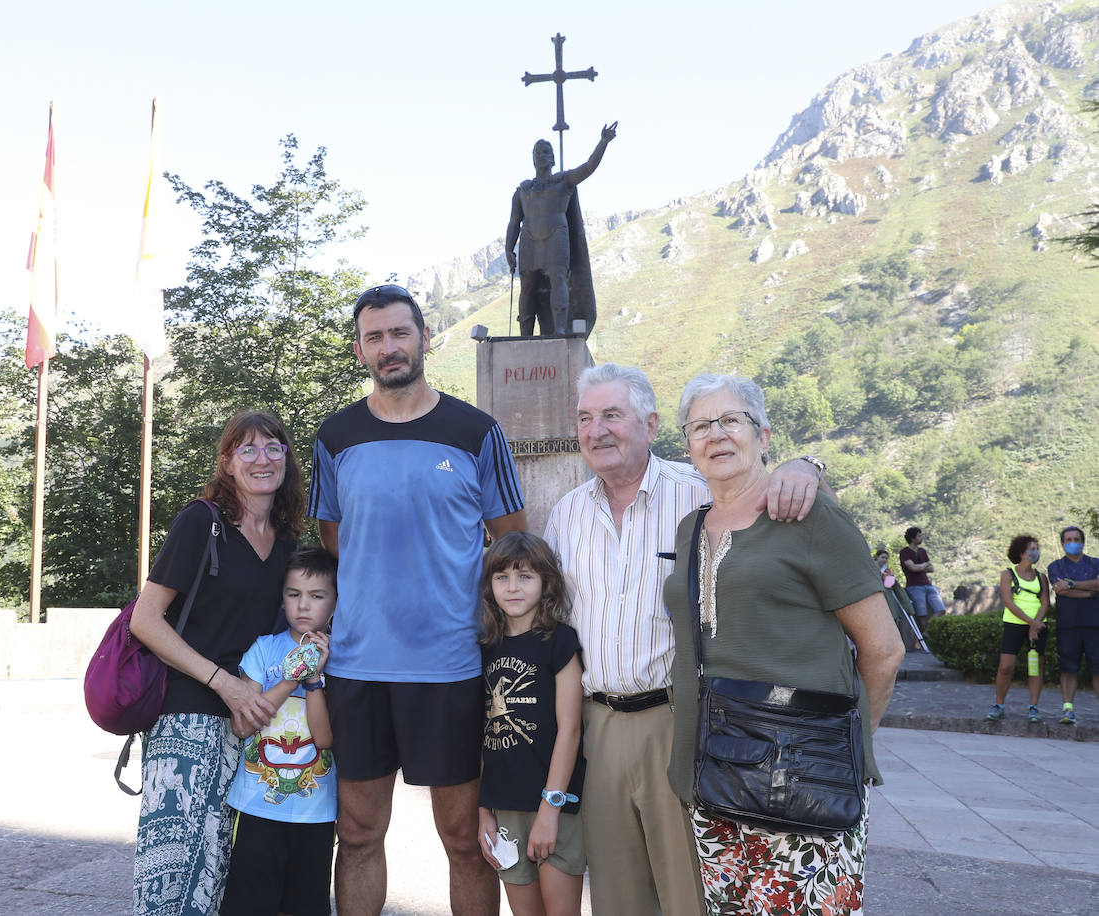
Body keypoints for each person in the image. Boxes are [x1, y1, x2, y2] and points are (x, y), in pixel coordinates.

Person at [542, 362, 824, 916]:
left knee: (689, 893)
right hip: (596, 728)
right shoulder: (565, 516)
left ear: (649, 425)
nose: (596, 430)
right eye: (585, 418)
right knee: (619, 898)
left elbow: (776, 495)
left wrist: (807, 466)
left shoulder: (700, 494)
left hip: (682, 723)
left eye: (612, 415)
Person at [308, 284, 527, 916]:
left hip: (451, 668)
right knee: (356, 835)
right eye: (374, 337)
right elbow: (336, 543)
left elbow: (513, 545)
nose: (389, 347)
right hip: (358, 666)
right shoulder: (336, 437)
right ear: (360, 350)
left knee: (464, 839)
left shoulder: (476, 431)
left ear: (425, 337)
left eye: (400, 333)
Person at [662, 373, 904, 915]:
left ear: (764, 436)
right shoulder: (690, 529)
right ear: (686, 445)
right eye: (700, 425)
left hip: (802, 780)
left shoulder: (810, 515)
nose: (716, 434)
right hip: (714, 772)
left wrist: (845, 750)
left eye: (731, 420)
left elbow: (884, 651)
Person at [130, 411, 305, 916]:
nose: (262, 459)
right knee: (174, 880)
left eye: (274, 447)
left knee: (224, 876)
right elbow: (147, 619)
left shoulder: (286, 538)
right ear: (227, 463)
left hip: (252, 724)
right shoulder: (202, 523)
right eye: (246, 449)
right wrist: (223, 683)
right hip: (188, 718)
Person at [221, 547, 338, 916]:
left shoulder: (342, 656)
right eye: (294, 594)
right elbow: (243, 725)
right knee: (248, 904)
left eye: (317, 596)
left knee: (306, 905)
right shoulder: (263, 649)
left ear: (335, 602)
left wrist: (315, 678)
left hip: (315, 812)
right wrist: (290, 680)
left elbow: (324, 739)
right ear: (282, 599)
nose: (304, 605)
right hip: (257, 807)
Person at [475, 532, 586, 916]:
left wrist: (549, 810)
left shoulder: (560, 642)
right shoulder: (485, 647)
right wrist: (483, 810)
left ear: (546, 582)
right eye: (501, 577)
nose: (513, 587)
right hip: (504, 808)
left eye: (525, 576)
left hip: (555, 804)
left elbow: (570, 730)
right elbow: (485, 732)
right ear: (489, 586)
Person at [504, 124, 616, 337]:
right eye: (537, 153)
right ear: (532, 158)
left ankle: (560, 329)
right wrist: (509, 248)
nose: (541, 156)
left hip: (556, 235)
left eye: (546, 152)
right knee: (527, 286)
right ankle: (525, 333)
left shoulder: (564, 181)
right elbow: (513, 221)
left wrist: (603, 142)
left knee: (558, 279)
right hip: (529, 239)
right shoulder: (523, 191)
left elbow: (588, 167)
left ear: (553, 159)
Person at [986, 535, 1050, 724]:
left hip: (1038, 626)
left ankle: (1033, 707)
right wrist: (1031, 623)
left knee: (1035, 668)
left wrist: (1036, 624)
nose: (1035, 552)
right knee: (1005, 667)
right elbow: (1008, 602)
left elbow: (1045, 603)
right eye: (1032, 548)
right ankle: (999, 705)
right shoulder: (1008, 574)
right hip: (1015, 624)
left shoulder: (1041, 577)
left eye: (1036, 548)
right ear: (1021, 552)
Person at [1046, 526, 1099, 725]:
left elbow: (1070, 587)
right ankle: (1068, 709)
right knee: (1069, 669)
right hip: (1068, 625)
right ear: (1062, 543)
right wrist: (1091, 591)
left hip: (1095, 625)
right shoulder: (1056, 566)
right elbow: (1061, 590)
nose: (1072, 542)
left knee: (1098, 670)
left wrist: (1072, 584)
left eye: (1076, 538)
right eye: (1068, 539)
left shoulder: (1096, 563)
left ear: (1083, 542)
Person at [899, 526, 946, 625]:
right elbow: (912, 568)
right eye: (919, 536)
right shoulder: (905, 552)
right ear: (913, 538)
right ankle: (923, 635)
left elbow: (931, 568)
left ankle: (927, 631)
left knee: (941, 610)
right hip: (914, 586)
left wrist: (918, 567)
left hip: (928, 584)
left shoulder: (922, 551)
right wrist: (924, 565)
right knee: (922, 614)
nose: (921, 538)